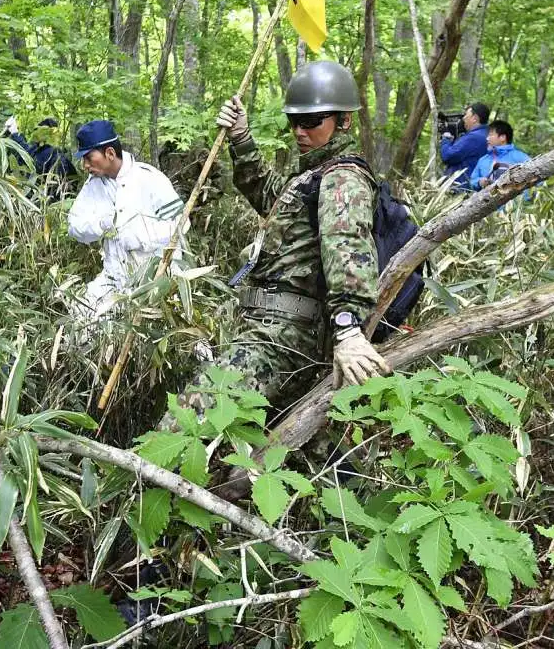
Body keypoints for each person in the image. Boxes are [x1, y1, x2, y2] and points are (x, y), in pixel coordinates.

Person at [161, 61, 389, 430]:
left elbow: (347, 247)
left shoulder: (342, 178)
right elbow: (272, 199)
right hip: (266, 329)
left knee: (181, 425)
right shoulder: (313, 175)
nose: (300, 131)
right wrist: (241, 138)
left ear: (344, 121)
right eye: (294, 121)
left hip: (283, 337)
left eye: (312, 121)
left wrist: (348, 329)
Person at [67, 119, 186, 325]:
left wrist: (140, 236)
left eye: (88, 157)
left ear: (110, 153)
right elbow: (74, 226)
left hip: (156, 281)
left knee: (181, 342)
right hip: (114, 281)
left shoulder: (149, 179)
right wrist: (100, 226)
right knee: (79, 319)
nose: (84, 165)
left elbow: (180, 224)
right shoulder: (93, 186)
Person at [4, 116, 77, 198]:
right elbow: (25, 149)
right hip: (37, 197)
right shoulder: (41, 150)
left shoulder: (52, 154)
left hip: (39, 197)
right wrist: (14, 132)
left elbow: (25, 150)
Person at [470, 120, 531, 190]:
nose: (487, 138)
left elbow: (535, 179)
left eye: (491, 135)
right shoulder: (483, 159)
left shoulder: (520, 157)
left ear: (502, 137)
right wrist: (479, 182)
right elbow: (472, 182)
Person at [440, 102, 490, 188]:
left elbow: (448, 156)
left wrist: (446, 138)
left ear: (474, 118)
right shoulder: (487, 134)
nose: (464, 118)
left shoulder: (473, 137)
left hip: (461, 188)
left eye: (466, 115)